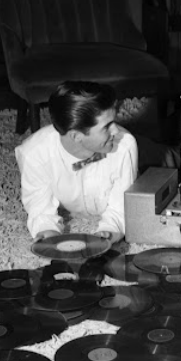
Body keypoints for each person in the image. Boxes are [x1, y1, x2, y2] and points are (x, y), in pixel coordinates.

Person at [17, 80, 139, 245]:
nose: (115, 130)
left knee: (170, 162)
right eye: (107, 126)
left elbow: (121, 207)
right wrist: (47, 232)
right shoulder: (34, 153)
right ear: (76, 136)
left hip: (147, 155)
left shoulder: (124, 145)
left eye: (113, 122)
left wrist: (110, 230)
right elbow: (40, 208)